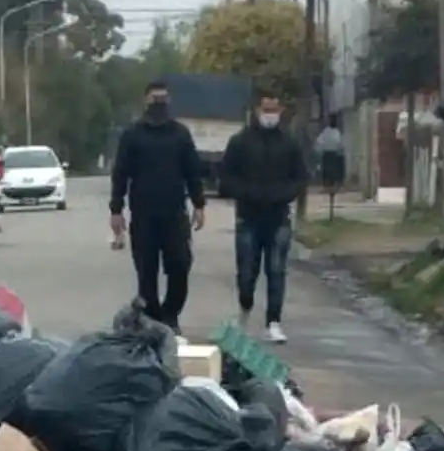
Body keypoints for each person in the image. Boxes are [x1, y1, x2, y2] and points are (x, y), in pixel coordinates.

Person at [110, 81, 206, 334]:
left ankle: (171, 314)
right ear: (146, 101)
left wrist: (199, 204)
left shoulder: (180, 134)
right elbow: (120, 174)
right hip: (143, 214)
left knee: (180, 263)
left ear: (170, 101)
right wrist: (116, 210)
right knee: (146, 269)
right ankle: (152, 320)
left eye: (164, 99)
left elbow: (192, 171)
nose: (159, 104)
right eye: (155, 99)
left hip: (174, 213)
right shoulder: (132, 134)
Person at [218, 90, 310, 344]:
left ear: (280, 113)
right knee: (247, 271)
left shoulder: (289, 143)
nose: (270, 115)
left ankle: (273, 321)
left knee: (277, 270)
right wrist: (245, 193)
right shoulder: (240, 142)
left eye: (274, 110)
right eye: (266, 110)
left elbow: (301, 177)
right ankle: (245, 309)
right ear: (256, 111)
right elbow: (225, 177)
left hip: (278, 217)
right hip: (248, 217)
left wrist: (285, 194)